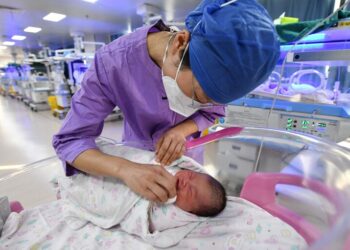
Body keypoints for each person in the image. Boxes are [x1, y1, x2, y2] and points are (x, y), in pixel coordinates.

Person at [53, 0, 280, 204]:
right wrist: (125, 169)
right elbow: (71, 140)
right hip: (138, 155)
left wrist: (181, 131)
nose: (197, 106)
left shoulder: (212, 81)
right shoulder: (112, 64)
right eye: (197, 97)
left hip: (187, 153)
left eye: (210, 100)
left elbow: (214, 112)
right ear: (180, 43)